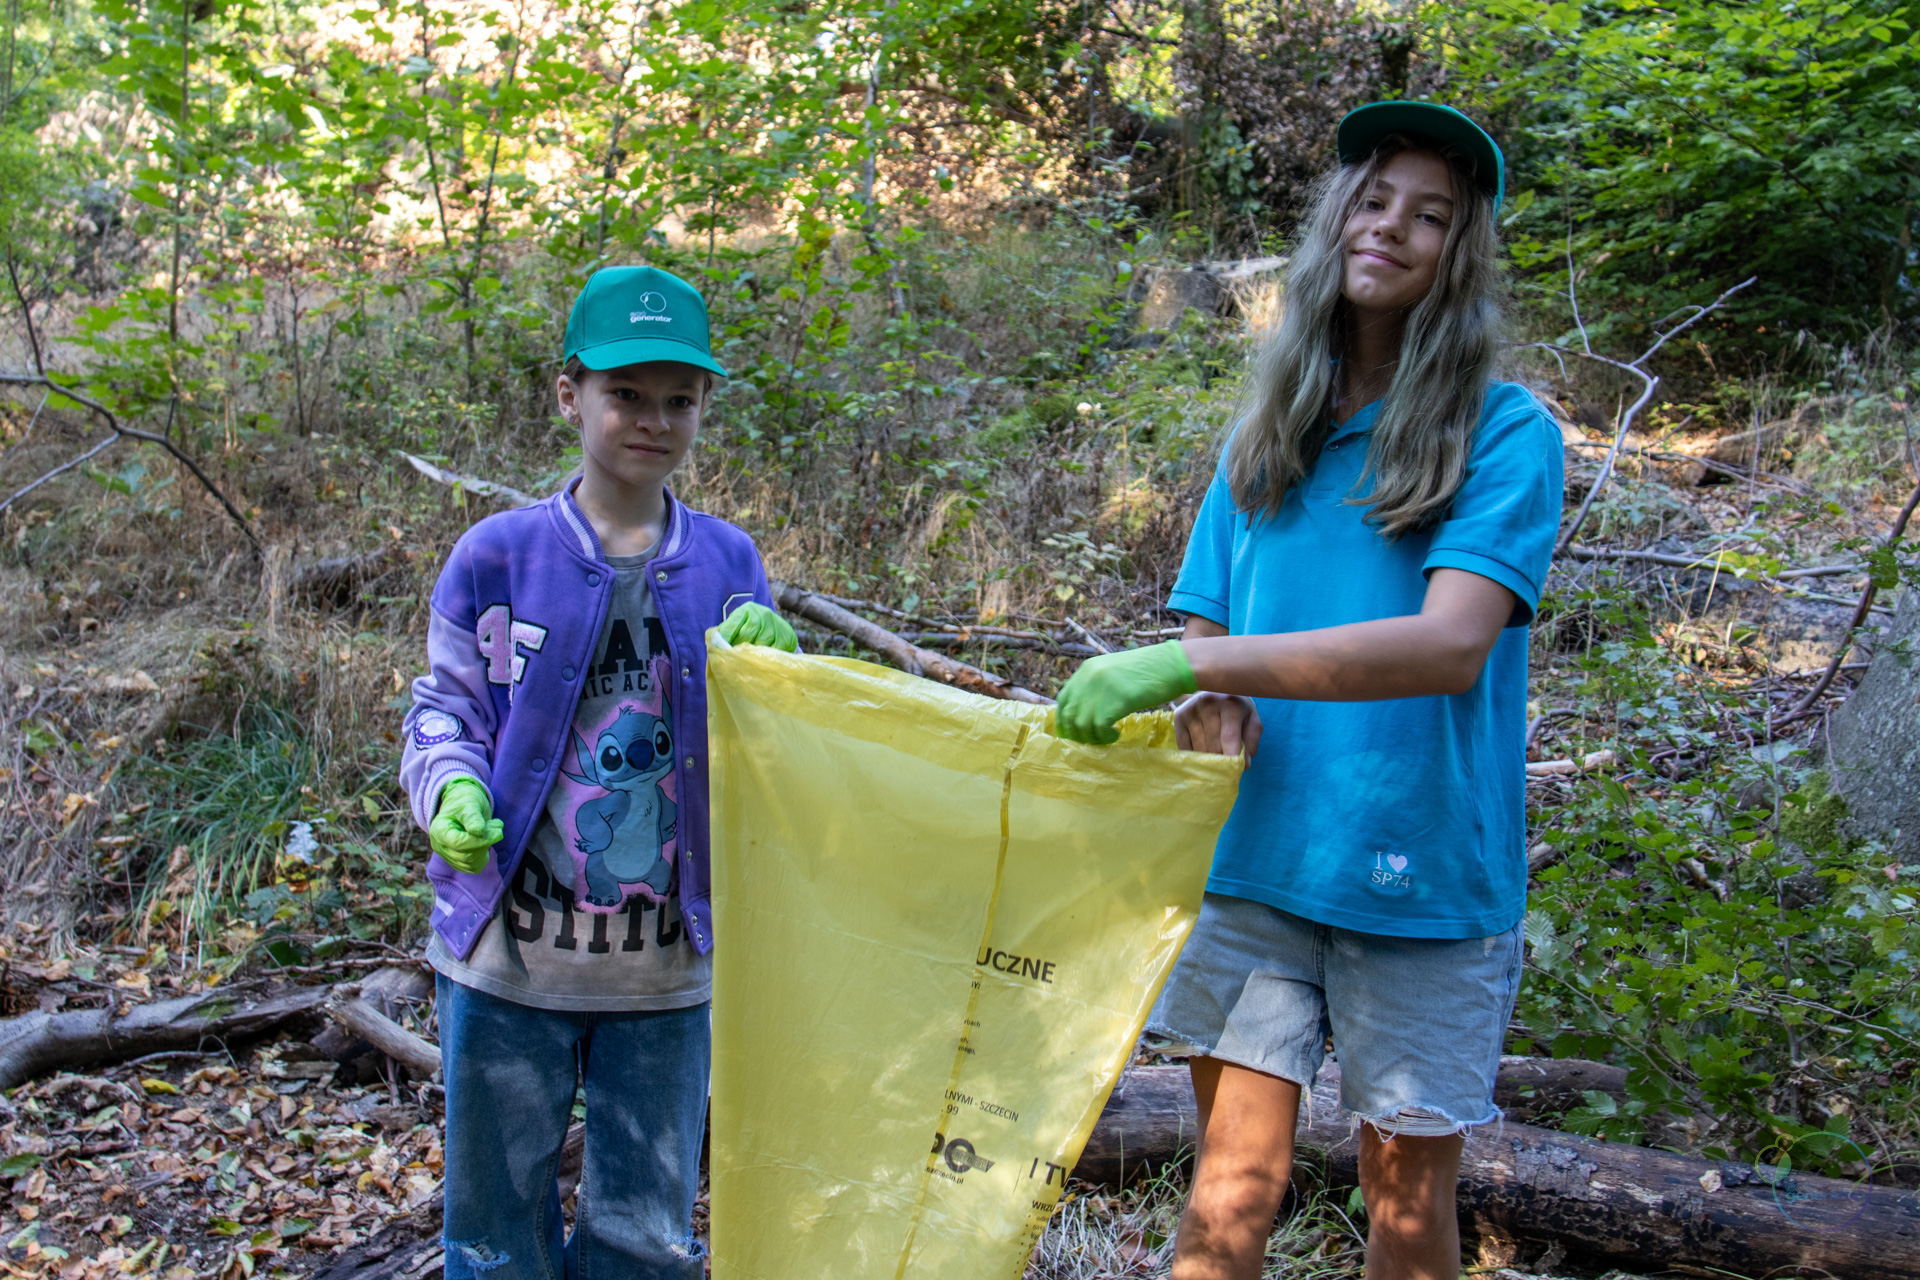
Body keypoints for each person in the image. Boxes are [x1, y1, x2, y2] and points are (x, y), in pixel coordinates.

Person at [1053, 102, 1564, 1280]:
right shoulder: (1268, 428)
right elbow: (1212, 613)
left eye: (1429, 214)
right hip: (1257, 857)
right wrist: (1199, 683)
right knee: (1229, 1189)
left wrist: (1193, 664)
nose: (1391, 228)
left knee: (1404, 1211)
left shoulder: (1504, 429)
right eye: (1374, 199)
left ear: (1460, 252)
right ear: (1334, 219)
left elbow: (1450, 643)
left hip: (1421, 871)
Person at [400, 265, 797, 1280]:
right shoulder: (497, 557)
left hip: (667, 972)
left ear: (706, 404)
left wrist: (777, 666)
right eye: (625, 392)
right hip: (509, 963)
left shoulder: (729, 563)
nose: (652, 418)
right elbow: (441, 707)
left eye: (679, 397)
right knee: (492, 1236)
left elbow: (766, 757)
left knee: (645, 1238)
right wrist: (449, 791)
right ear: (567, 390)